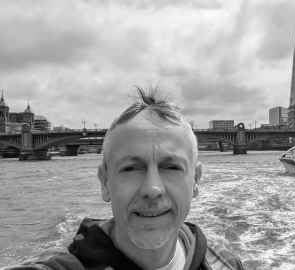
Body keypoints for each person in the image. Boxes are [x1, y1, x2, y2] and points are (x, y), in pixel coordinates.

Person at [6, 88, 244, 270]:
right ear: (105, 183)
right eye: (131, 168)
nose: (153, 189)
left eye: (171, 167)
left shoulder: (225, 262)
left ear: (196, 181)